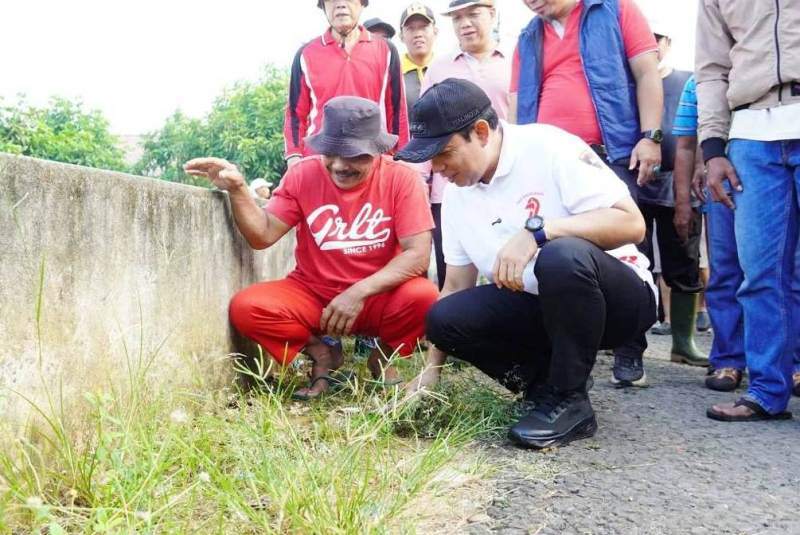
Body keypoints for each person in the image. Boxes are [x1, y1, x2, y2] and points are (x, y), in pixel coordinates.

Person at [397, 79, 656, 449]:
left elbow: (632, 223)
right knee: (444, 317)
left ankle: (570, 401)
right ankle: (545, 387)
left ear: (481, 132)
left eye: (444, 153)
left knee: (560, 255)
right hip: (543, 308)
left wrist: (540, 232)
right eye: (430, 158)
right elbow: (455, 286)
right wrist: (431, 371)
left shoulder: (549, 147)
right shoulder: (457, 196)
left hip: (617, 301)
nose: (437, 168)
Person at [186, 97, 438, 400]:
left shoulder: (403, 180)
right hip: (315, 295)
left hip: (377, 297)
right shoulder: (303, 174)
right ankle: (322, 354)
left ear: (377, 151)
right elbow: (262, 235)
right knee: (247, 307)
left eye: (355, 155)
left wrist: (357, 292)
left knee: (424, 296)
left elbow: (418, 254)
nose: (340, 165)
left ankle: (381, 358)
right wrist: (239, 189)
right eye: (331, 153)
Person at [511, 0, 663, 388]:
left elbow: (647, 73)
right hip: (550, 164)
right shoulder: (528, 37)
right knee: (555, 248)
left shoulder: (615, 11)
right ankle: (570, 356)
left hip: (611, 152)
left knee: (625, 245)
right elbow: (517, 105)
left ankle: (630, 348)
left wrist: (650, 137)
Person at [697, 1, 800, 420]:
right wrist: (713, 147)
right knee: (759, 273)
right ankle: (767, 390)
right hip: (752, 132)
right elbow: (711, 69)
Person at [421, 0, 511, 289]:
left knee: (513, 258)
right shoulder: (439, 68)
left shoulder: (514, 61)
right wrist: (421, 180)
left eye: (473, 14)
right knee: (453, 264)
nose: (465, 23)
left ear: (492, 14)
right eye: (457, 18)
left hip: (506, 180)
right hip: (450, 185)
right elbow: (424, 128)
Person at [636, 21, 707, 367]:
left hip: (679, 185)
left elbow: (701, 131)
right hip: (636, 182)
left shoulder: (688, 80)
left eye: (655, 39)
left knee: (684, 262)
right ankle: (629, 345)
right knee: (635, 262)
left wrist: (696, 176)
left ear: (667, 41)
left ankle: (684, 342)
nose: (649, 46)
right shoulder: (628, 81)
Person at [283, 0, 409, 167]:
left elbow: (397, 109)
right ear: (323, 6)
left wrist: (402, 157)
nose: (341, 4)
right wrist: (294, 156)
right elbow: (295, 113)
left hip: (370, 158)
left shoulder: (386, 50)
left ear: (362, 4)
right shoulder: (306, 53)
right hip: (320, 160)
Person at [399, 3, 438, 112]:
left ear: (435, 31)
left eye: (424, 27)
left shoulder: (447, 69)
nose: (418, 34)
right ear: (401, 36)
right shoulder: (393, 73)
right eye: (410, 28)